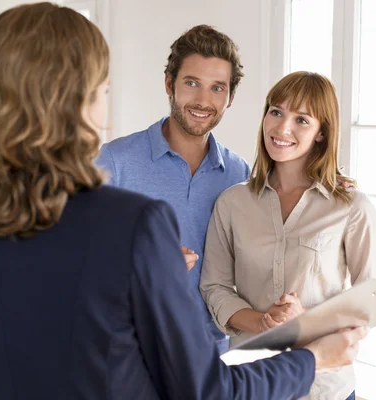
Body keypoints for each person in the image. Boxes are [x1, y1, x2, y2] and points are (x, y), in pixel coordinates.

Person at [0, 4, 368, 400]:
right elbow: (204, 392)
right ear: (79, 102)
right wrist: (312, 357)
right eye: (103, 90)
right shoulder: (130, 222)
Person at [200, 71, 376, 400]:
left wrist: (304, 324)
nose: (282, 128)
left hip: (323, 388)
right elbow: (214, 286)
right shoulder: (232, 202)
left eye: (302, 119)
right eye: (276, 112)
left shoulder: (351, 207)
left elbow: (370, 301)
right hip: (251, 382)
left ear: (321, 133)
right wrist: (262, 323)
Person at [95, 24, 251, 352]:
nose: (203, 100)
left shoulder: (239, 174)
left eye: (217, 88)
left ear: (231, 98)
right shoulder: (115, 161)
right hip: (132, 351)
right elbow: (79, 255)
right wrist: (147, 262)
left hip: (211, 356)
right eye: (192, 83)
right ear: (169, 83)